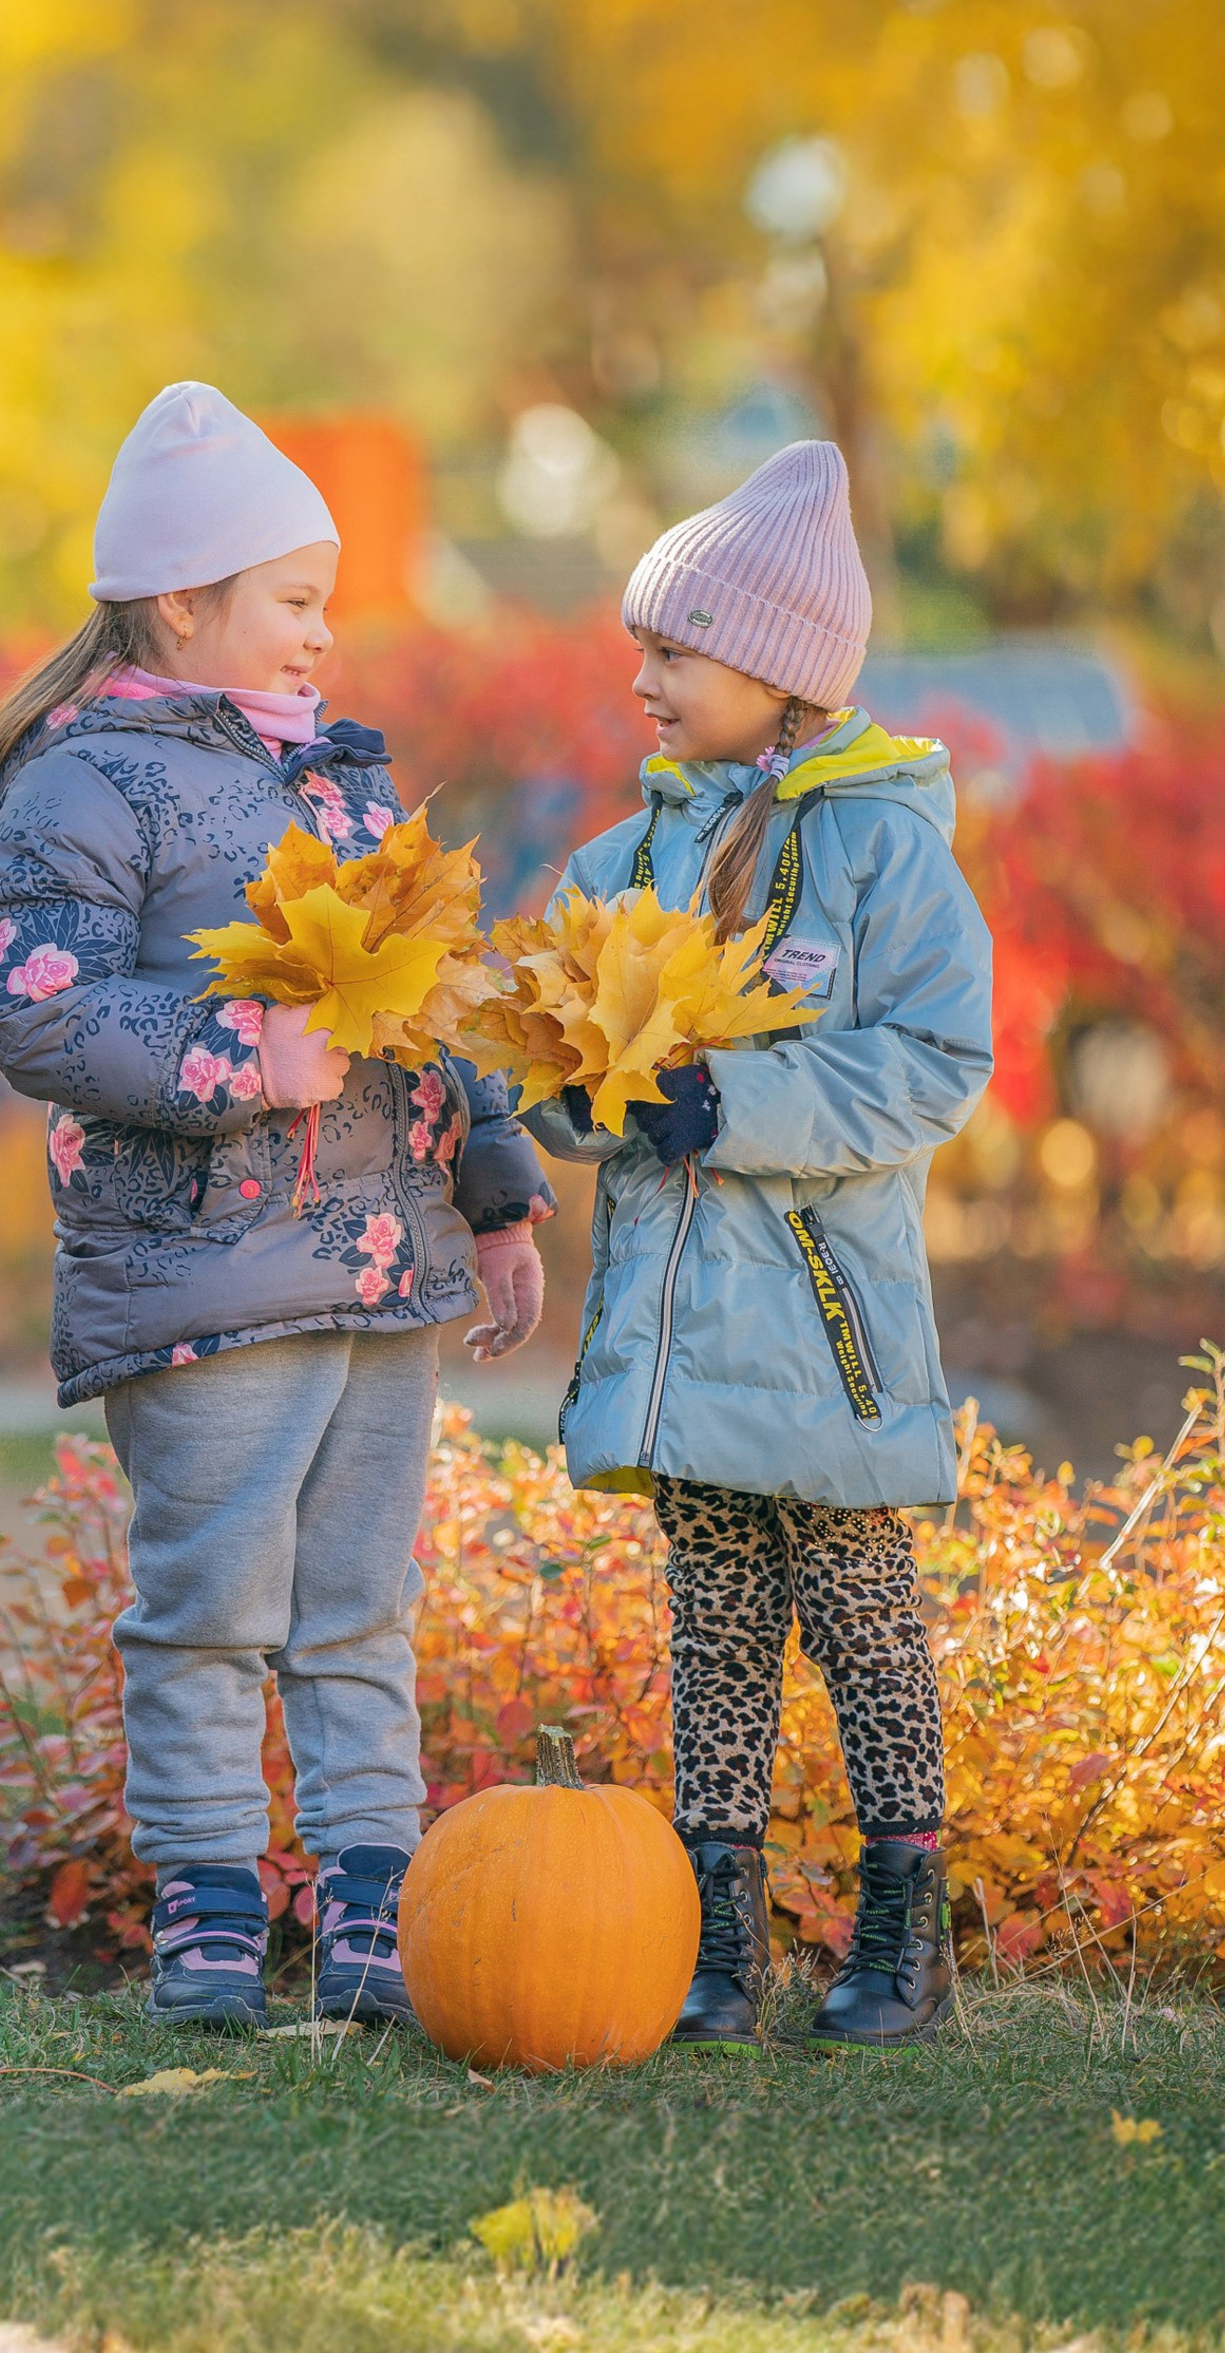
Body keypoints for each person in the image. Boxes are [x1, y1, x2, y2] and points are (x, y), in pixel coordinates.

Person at [0, 383, 554, 2029]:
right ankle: (214, 1906)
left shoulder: (349, 791)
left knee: (362, 1604)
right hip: (206, 1271)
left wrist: (495, 1196)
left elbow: (430, 1005)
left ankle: (378, 1906)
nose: (323, 635)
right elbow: (33, 1002)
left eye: (325, 602)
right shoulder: (90, 785)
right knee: (215, 1606)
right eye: (295, 601)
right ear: (183, 604)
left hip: (383, 1266)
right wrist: (246, 1048)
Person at [527, 440, 991, 2051]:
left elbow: (936, 1063)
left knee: (865, 1624)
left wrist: (733, 1101)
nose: (641, 677)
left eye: (675, 650)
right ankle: (716, 1943)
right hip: (680, 1340)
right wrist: (597, 1103)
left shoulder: (883, 854)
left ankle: (904, 1940)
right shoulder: (625, 863)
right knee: (712, 1632)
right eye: (644, 647)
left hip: (827, 1334)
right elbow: (559, 1069)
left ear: (781, 674)